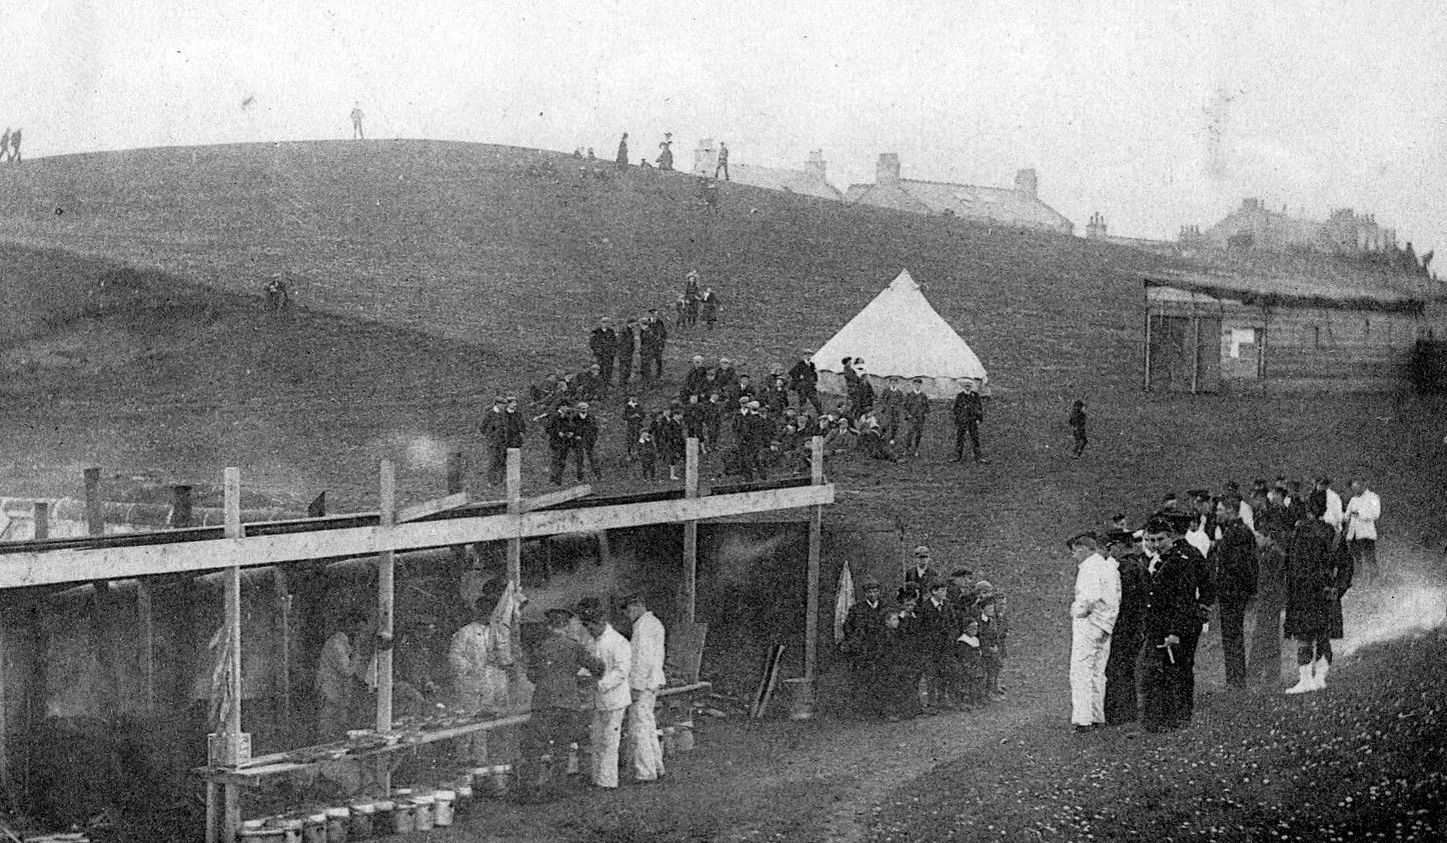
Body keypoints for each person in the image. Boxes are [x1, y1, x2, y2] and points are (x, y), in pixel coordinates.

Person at [519, 608, 604, 801]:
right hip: (568, 703)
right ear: (566, 626)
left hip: (543, 703)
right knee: (562, 747)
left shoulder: (540, 647)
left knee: (536, 748)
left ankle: (531, 790)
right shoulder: (575, 646)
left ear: (549, 626)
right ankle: (557, 789)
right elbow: (597, 667)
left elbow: (531, 674)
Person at [1283, 498, 1353, 693]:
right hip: (1326, 592)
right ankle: (1320, 678)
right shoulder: (1332, 533)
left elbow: (1291, 566)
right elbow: (1347, 565)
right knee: (1324, 636)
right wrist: (1338, 588)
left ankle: (1306, 680)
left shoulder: (1301, 533)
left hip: (1303, 593)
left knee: (1304, 636)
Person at [1138, 517, 1199, 732]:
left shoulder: (1181, 562)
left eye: (1160, 539)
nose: (1155, 544)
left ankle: (1179, 720)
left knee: (1177, 673)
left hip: (1175, 626)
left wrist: (1175, 632)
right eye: (1151, 540)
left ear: (1170, 538)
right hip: (1157, 626)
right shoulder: (1156, 560)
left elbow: (1185, 600)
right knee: (1156, 673)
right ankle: (1158, 721)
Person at [1066, 532, 1119, 732]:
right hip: (1105, 625)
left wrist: (1076, 610)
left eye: (1075, 551)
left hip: (1089, 625)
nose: (1074, 556)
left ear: (1084, 548)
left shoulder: (1089, 568)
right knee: (1097, 672)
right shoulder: (1107, 566)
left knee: (1080, 671)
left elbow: (1089, 598)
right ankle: (1097, 715)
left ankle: (1083, 720)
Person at [580, 602, 631, 789]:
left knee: (610, 740)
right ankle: (596, 777)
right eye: (586, 625)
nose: (589, 629)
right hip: (599, 700)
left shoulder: (618, 642)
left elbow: (621, 671)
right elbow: (590, 665)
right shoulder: (593, 642)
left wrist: (600, 685)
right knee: (596, 738)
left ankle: (608, 781)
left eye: (591, 625)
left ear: (601, 621)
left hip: (615, 699)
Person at [1209, 495, 1258, 688]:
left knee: (1232, 636)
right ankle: (1234, 678)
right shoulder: (1235, 531)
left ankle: (1236, 680)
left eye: (1220, 510)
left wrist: (1227, 587)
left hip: (1233, 593)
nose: (1217, 513)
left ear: (1230, 510)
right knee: (1230, 635)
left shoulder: (1237, 533)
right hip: (1232, 592)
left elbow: (1239, 566)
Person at [1102, 530, 1147, 725]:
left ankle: (1119, 714)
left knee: (1117, 669)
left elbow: (1122, 603)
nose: (1110, 553)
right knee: (1126, 669)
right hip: (1136, 627)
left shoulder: (1125, 570)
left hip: (1125, 627)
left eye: (1111, 548)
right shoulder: (1138, 565)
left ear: (1119, 545)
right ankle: (1126, 712)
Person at [623, 593, 666, 783]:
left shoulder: (642, 627)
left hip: (644, 683)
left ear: (638, 606)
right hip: (653, 681)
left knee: (638, 728)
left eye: (629, 610)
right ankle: (657, 765)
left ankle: (645, 772)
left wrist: (636, 687)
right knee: (648, 725)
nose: (628, 615)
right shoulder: (654, 623)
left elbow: (641, 660)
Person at [315, 607, 374, 740]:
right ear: (350, 625)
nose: (359, 635)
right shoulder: (336, 643)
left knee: (337, 729)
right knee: (327, 730)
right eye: (358, 630)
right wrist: (357, 651)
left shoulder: (345, 642)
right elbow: (347, 671)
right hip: (329, 693)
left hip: (338, 693)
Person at [841, 577, 888, 718]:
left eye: (875, 591)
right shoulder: (857, 609)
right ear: (865, 594)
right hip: (863, 650)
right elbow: (847, 627)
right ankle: (862, 710)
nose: (873, 594)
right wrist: (855, 642)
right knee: (862, 680)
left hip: (880, 649)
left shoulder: (884, 607)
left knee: (880, 679)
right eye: (869, 592)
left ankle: (879, 710)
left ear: (879, 592)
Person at [1246, 529, 1287, 686]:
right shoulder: (1270, 553)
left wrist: (1266, 594)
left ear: (1268, 537)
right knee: (1268, 637)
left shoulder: (1273, 555)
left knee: (1263, 637)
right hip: (1268, 601)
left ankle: (1259, 675)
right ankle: (1270, 674)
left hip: (1269, 602)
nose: (1257, 540)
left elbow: (1274, 581)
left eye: (1259, 537)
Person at [917, 581, 959, 712]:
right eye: (942, 590)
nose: (945, 593)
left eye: (945, 590)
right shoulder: (924, 607)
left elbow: (954, 624)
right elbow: (921, 628)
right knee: (931, 675)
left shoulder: (948, 606)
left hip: (945, 647)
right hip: (930, 648)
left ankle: (942, 698)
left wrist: (951, 638)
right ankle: (932, 702)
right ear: (934, 591)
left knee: (945, 673)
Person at [480, 395, 526, 486]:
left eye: (504, 404)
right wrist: (490, 436)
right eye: (502, 404)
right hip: (493, 442)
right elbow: (482, 427)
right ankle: (491, 481)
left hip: (503, 442)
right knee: (493, 461)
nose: (503, 406)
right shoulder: (490, 414)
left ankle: (500, 480)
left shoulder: (503, 414)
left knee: (501, 461)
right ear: (497, 404)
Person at [1344, 478, 1381, 585]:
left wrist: (1360, 513)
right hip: (1354, 532)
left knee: (1369, 556)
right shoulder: (1353, 499)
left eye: (1357, 488)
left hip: (1366, 533)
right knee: (1355, 557)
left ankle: (1374, 578)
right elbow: (1347, 514)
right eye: (1353, 489)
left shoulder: (1373, 497)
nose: (1355, 491)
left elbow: (1376, 514)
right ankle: (1358, 579)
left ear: (1363, 486)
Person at [950, 382, 988, 463]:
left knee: (975, 438)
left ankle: (978, 457)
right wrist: (958, 419)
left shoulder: (975, 395)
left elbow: (979, 407)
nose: (967, 387)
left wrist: (979, 419)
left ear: (971, 387)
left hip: (972, 420)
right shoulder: (960, 396)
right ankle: (958, 456)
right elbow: (955, 409)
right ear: (963, 387)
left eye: (969, 386)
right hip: (962, 420)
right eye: (966, 386)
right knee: (960, 438)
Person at [545, 405, 576, 486]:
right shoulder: (554, 418)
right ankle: (552, 480)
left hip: (565, 443)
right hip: (556, 443)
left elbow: (573, 427)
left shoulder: (567, 418)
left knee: (562, 461)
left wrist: (571, 433)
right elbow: (548, 429)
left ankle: (558, 480)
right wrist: (557, 433)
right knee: (555, 461)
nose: (565, 415)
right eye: (564, 413)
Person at [900, 379, 930, 457]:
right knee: (909, 434)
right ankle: (906, 449)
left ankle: (916, 449)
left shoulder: (923, 396)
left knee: (918, 435)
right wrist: (907, 414)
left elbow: (927, 406)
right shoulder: (909, 395)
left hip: (920, 419)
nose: (917, 386)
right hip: (911, 418)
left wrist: (926, 413)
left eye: (919, 384)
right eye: (916, 384)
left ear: (921, 385)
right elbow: (904, 407)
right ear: (913, 385)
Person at [573, 402, 600, 480]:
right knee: (579, 459)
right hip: (579, 441)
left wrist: (594, 439)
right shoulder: (575, 418)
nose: (584, 409)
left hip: (589, 441)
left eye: (585, 408)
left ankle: (598, 476)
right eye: (582, 408)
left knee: (593, 458)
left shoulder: (591, 417)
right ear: (579, 409)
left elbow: (595, 429)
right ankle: (579, 478)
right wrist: (575, 436)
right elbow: (572, 429)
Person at [590, 318, 618, 385]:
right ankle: (599, 383)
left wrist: (613, 352)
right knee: (600, 368)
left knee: (609, 368)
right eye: (603, 322)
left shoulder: (611, 332)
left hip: (609, 354)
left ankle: (607, 382)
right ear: (601, 323)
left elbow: (614, 343)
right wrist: (597, 351)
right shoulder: (596, 332)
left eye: (606, 322)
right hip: (600, 354)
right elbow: (592, 343)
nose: (605, 324)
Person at [622, 394, 645, 458]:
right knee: (630, 439)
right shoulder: (627, 407)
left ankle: (638, 453)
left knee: (640, 439)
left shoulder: (638, 406)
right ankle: (629, 454)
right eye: (634, 397)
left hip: (638, 424)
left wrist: (639, 416)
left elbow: (643, 414)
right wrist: (632, 417)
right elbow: (624, 416)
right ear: (631, 398)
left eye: (636, 397)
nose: (636, 399)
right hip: (631, 425)